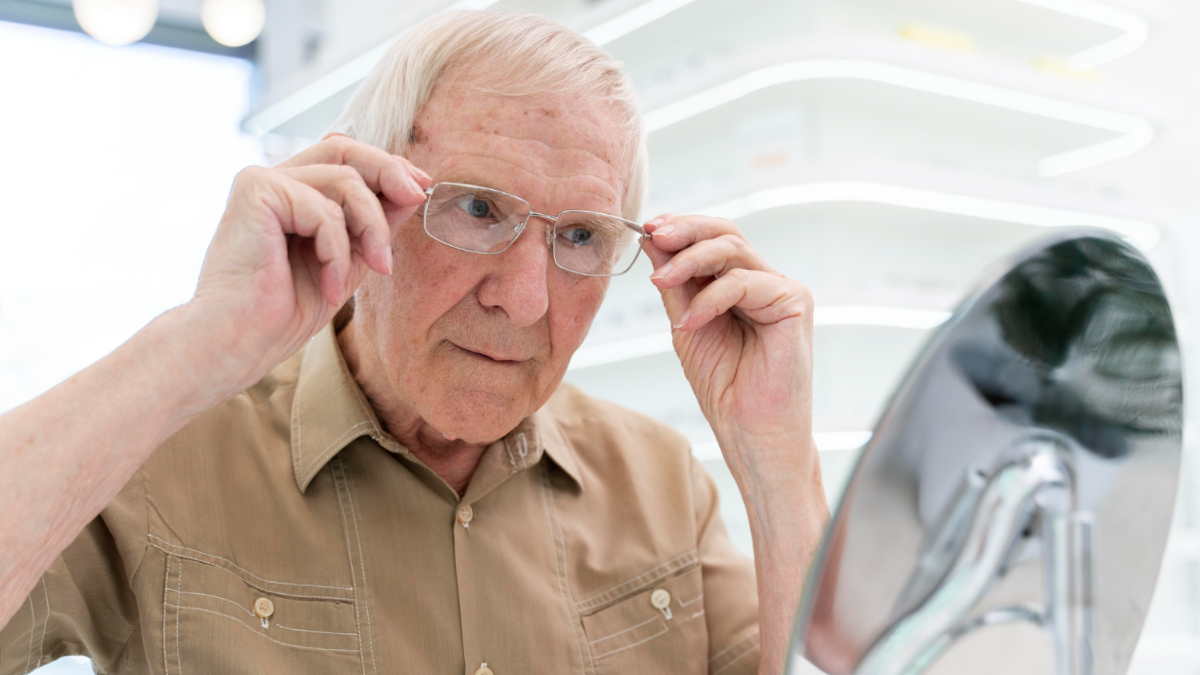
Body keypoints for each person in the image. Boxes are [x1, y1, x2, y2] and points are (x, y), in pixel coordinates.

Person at [0, 10, 827, 675]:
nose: (525, 300)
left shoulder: (661, 483)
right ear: (357, 196)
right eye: (477, 210)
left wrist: (779, 462)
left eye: (578, 235)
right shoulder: (162, 456)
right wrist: (191, 346)